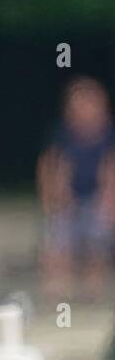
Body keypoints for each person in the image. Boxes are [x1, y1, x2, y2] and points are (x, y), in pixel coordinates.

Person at [37, 77, 115, 301]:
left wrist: (109, 202)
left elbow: (110, 168)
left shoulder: (108, 133)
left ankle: (91, 299)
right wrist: (50, 197)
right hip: (65, 200)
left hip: (96, 199)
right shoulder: (61, 133)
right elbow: (48, 164)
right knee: (58, 248)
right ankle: (57, 299)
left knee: (95, 250)